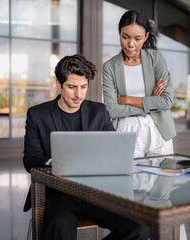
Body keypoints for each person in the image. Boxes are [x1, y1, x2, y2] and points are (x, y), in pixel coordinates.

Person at [23, 54, 150, 240]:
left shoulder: (99, 112)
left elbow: (115, 150)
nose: (79, 94)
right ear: (59, 84)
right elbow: (30, 160)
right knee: (59, 227)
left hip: (96, 191)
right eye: (72, 87)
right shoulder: (37, 115)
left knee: (140, 226)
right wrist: (57, 160)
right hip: (59, 193)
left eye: (84, 87)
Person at [102, 9, 176, 159]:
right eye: (125, 37)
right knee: (129, 180)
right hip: (126, 130)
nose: (131, 44)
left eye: (137, 38)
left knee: (163, 180)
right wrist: (149, 103)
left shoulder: (155, 58)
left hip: (158, 130)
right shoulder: (109, 67)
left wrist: (128, 99)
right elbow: (111, 109)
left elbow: (167, 101)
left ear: (146, 36)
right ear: (119, 33)